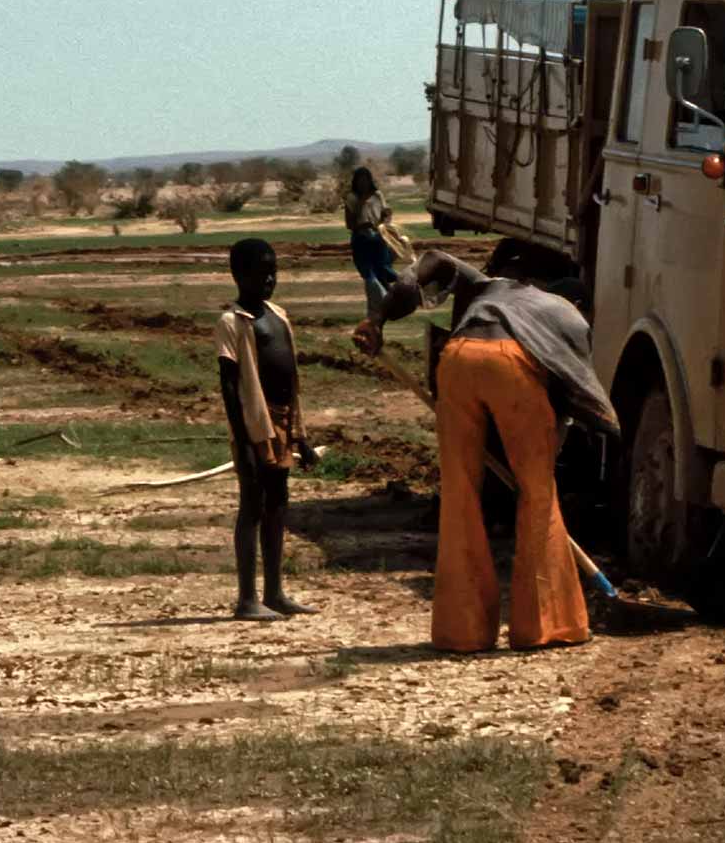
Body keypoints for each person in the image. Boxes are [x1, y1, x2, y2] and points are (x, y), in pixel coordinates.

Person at [354, 245, 618, 652]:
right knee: (537, 495)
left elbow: (430, 262)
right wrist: (547, 459)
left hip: (457, 359)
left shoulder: (490, 288)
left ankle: (462, 632)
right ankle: (542, 627)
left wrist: (378, 319)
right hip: (511, 365)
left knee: (460, 494)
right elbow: (575, 400)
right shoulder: (568, 315)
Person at [216, 238, 319, 620]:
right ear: (238, 275)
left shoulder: (278, 315)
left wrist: (301, 437)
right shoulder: (231, 322)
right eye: (260, 273)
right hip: (255, 424)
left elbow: (292, 380)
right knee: (253, 506)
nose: (269, 279)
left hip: (284, 421)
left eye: (273, 271)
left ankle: (275, 593)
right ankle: (247, 599)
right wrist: (242, 439)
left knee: (278, 504)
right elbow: (229, 386)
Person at [344, 168, 399, 311]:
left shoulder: (377, 195)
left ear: (370, 181)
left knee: (383, 272)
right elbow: (349, 224)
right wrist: (361, 205)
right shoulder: (351, 198)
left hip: (378, 239)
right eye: (360, 181)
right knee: (369, 275)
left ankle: (385, 306)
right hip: (361, 240)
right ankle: (381, 306)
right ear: (355, 182)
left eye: (366, 180)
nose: (363, 184)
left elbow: (384, 215)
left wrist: (385, 219)